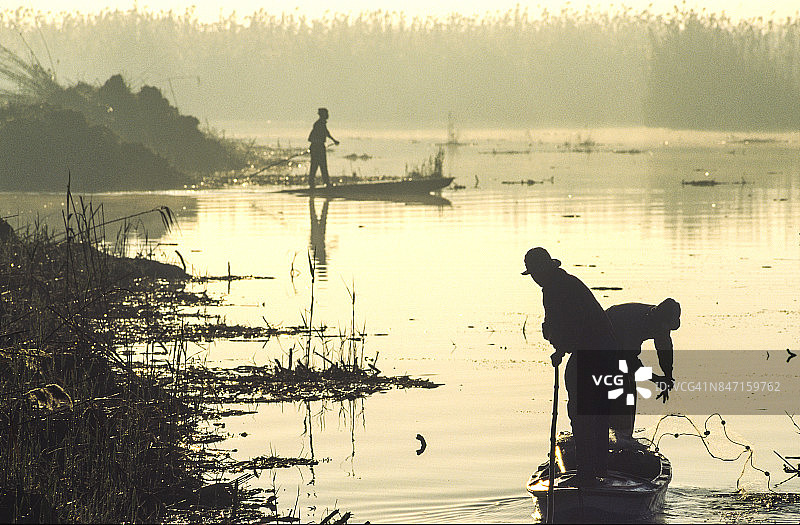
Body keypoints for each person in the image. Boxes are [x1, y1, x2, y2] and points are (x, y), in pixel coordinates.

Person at [522, 247, 620, 486]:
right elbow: (563, 325)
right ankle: (598, 470)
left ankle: (587, 475)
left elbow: (575, 326)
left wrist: (560, 348)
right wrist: (559, 345)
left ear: (545, 269)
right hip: (604, 353)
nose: (534, 278)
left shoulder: (556, 288)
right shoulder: (564, 283)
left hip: (593, 354)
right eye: (532, 273)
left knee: (582, 412)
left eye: (535, 272)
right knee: (597, 411)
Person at [605, 299, 680, 438]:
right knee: (621, 385)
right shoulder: (635, 325)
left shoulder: (661, 325)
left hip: (622, 350)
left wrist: (667, 375)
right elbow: (629, 361)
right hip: (603, 338)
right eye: (665, 328)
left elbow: (665, 351)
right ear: (657, 321)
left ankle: (624, 435)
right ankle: (615, 435)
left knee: (627, 391)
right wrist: (656, 379)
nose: (665, 332)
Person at [307, 107, 339, 189]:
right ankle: (316, 183)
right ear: (323, 115)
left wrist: (334, 140)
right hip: (317, 147)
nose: (328, 115)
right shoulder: (318, 124)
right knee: (317, 166)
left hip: (319, 147)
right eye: (326, 114)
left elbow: (327, 133)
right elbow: (311, 137)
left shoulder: (322, 124)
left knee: (321, 165)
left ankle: (324, 183)